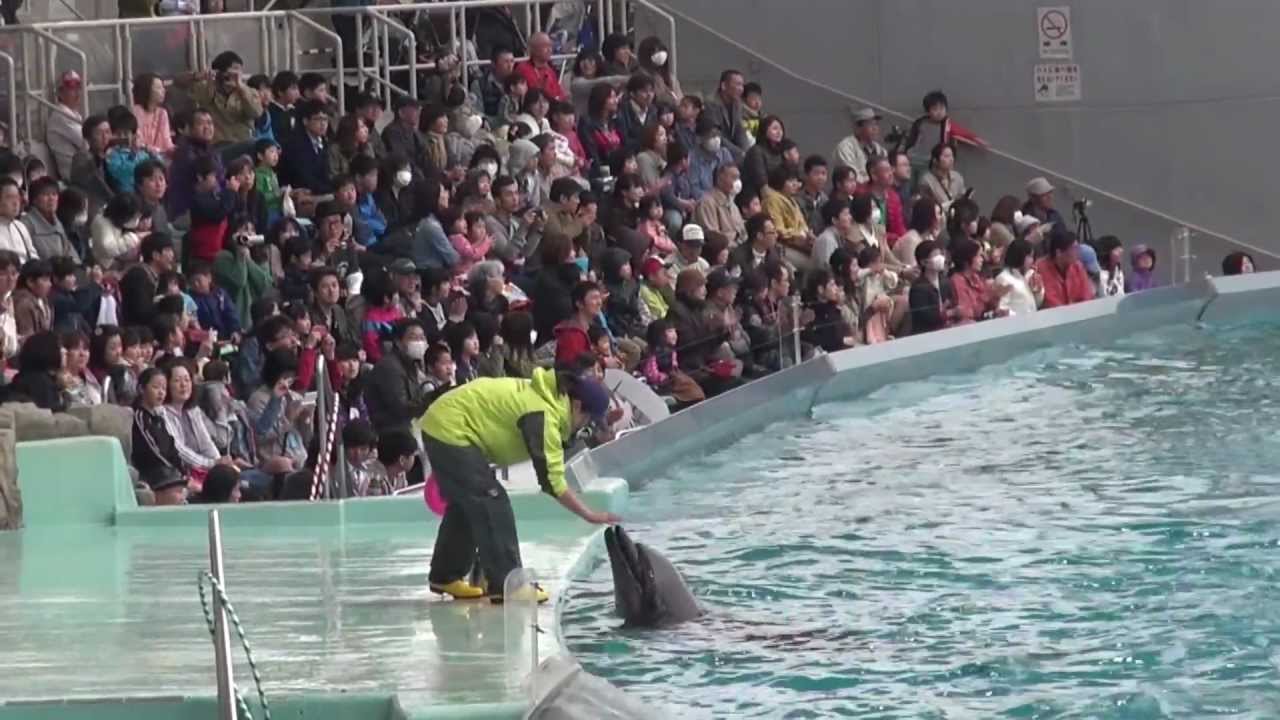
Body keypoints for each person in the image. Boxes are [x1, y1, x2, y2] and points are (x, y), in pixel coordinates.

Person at [420, 367, 620, 602]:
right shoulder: (543, 415)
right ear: (576, 406)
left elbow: (560, 449)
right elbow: (552, 482)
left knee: (467, 504)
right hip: (449, 427)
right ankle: (508, 585)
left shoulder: (553, 403)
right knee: (491, 501)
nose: (585, 426)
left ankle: (445, 575)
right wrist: (589, 514)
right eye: (587, 419)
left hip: (444, 420)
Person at [246, 348, 309, 475]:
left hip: (299, 459)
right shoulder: (258, 399)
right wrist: (288, 418)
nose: (288, 380)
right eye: (285, 376)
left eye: (292, 376)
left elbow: (306, 437)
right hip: (275, 466)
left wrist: (306, 420)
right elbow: (260, 436)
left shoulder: (293, 396)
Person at [365, 318, 432, 437]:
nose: (419, 342)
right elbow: (401, 408)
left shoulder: (412, 364)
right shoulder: (390, 367)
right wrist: (429, 400)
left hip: (405, 429)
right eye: (413, 338)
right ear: (398, 342)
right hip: (390, 434)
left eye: (422, 338)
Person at [5, 331, 67, 411]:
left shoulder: (31, 376)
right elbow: (50, 414)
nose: (65, 351)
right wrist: (66, 397)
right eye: (59, 347)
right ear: (46, 350)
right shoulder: (39, 382)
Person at [908, 240, 960, 334]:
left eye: (940, 254)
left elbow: (953, 302)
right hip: (928, 333)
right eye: (935, 255)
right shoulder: (918, 288)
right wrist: (951, 312)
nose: (940, 258)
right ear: (924, 262)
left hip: (948, 327)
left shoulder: (945, 281)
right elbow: (928, 318)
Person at [949, 238, 1006, 322]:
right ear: (968, 259)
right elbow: (968, 312)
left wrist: (997, 295)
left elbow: (989, 305)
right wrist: (988, 295)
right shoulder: (957, 281)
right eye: (978, 256)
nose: (982, 260)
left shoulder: (976, 277)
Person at [1034, 231, 1094, 308]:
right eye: (1074, 248)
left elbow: (1087, 295)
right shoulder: (1040, 269)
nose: (1078, 252)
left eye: (1078, 248)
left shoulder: (1078, 266)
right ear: (1058, 252)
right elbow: (1049, 301)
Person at [46, 71, 87, 181]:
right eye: (72, 89)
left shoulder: (74, 114)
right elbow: (86, 141)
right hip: (75, 177)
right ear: (60, 93)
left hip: (84, 171)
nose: (78, 93)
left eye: (79, 88)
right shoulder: (61, 115)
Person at [25, 177, 76, 263]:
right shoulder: (26, 223)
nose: (51, 198)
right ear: (34, 200)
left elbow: (70, 253)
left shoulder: (58, 223)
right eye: (45, 194)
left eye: (54, 194)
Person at [703, 69, 751, 159]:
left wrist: (747, 152)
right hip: (713, 150)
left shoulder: (737, 103)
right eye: (737, 84)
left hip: (731, 150)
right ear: (724, 86)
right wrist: (740, 153)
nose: (741, 89)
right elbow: (715, 135)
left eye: (742, 85)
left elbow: (739, 130)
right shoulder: (711, 103)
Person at [833, 108, 885, 185]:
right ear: (858, 128)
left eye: (876, 124)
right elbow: (852, 177)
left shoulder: (879, 150)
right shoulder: (846, 147)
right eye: (871, 124)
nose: (875, 128)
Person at [993, 238, 1044, 316]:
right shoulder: (1003, 278)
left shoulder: (1029, 275)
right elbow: (1001, 311)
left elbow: (1036, 305)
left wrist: (1038, 290)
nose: (1032, 260)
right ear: (1019, 256)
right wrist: (1020, 318)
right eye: (1029, 256)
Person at [514, 32, 567, 102]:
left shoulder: (550, 71)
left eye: (550, 46)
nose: (550, 50)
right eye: (545, 46)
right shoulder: (523, 70)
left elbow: (560, 94)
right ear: (534, 49)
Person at [11, 258, 53, 342]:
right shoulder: (23, 303)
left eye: (49, 280)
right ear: (30, 282)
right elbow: (27, 337)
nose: (50, 284)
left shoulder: (45, 301)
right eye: (45, 280)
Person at [918, 143, 965, 212]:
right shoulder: (926, 181)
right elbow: (926, 208)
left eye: (952, 156)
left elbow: (962, 198)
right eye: (946, 156)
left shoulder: (957, 177)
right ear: (935, 160)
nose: (951, 159)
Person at [0, 178, 36, 263]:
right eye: (9, 197)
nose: (16, 202)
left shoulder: (20, 226)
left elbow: (33, 257)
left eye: (17, 197)